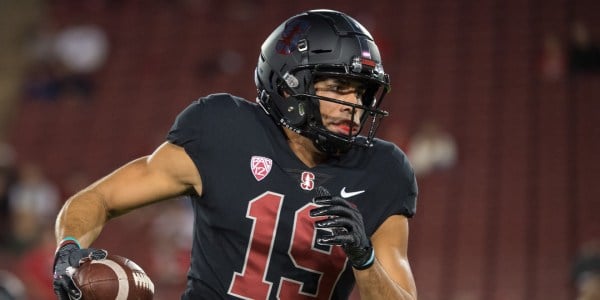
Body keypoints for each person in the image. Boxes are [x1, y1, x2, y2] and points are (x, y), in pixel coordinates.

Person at [52, 9, 418, 300]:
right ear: (288, 87)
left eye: (362, 93)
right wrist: (69, 247)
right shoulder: (223, 130)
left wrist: (364, 259)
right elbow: (101, 198)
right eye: (338, 87)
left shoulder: (383, 171)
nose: (354, 106)